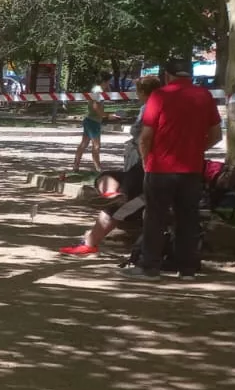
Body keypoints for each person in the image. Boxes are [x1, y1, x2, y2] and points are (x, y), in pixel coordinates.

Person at [133, 63, 222, 279]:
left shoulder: (160, 96)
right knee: (188, 219)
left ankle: (150, 267)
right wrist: (195, 150)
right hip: (191, 168)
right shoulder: (204, 96)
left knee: (155, 218)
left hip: (160, 168)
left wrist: (146, 162)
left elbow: (145, 137)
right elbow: (216, 135)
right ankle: (188, 269)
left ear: (167, 75)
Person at [61, 77, 160, 257]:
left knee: (122, 204)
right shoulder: (167, 106)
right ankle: (111, 194)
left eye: (138, 91)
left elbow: (141, 136)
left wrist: (145, 159)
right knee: (105, 176)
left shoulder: (151, 107)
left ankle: (91, 242)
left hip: (152, 167)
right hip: (147, 164)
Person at [74, 100, 105, 172]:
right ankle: (98, 168)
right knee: (96, 146)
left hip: (91, 121)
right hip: (93, 122)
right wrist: (109, 116)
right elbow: (97, 109)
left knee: (84, 144)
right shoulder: (96, 92)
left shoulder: (102, 92)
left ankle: (76, 165)